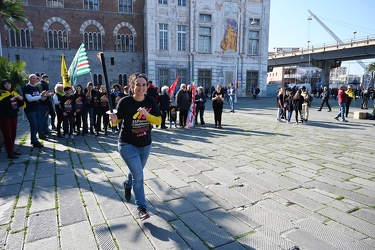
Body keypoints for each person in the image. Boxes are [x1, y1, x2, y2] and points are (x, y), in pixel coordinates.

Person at [109, 73, 162, 220]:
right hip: (127, 144)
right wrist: (112, 120)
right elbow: (115, 122)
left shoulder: (150, 100)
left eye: (144, 85)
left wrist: (146, 115)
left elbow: (158, 120)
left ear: (147, 87)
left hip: (145, 145)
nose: (141, 87)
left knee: (135, 172)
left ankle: (127, 184)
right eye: (137, 84)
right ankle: (141, 208)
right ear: (132, 86)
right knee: (139, 176)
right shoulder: (125, 102)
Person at [0, 79, 25, 159]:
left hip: (13, 116)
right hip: (4, 117)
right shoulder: (1, 93)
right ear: (3, 86)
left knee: (13, 134)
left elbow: (20, 104)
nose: (7, 85)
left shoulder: (14, 93)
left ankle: (12, 150)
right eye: (5, 84)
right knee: (7, 135)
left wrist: (21, 99)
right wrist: (9, 100)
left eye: (9, 83)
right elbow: (1, 104)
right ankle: (9, 153)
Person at [23, 74, 49, 147]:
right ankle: (34, 141)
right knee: (34, 125)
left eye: (35, 79)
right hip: (30, 109)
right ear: (29, 79)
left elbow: (40, 98)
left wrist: (44, 96)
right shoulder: (26, 87)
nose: (34, 80)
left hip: (37, 108)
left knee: (37, 125)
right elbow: (29, 99)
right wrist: (39, 96)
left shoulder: (36, 87)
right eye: (32, 78)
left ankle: (34, 139)